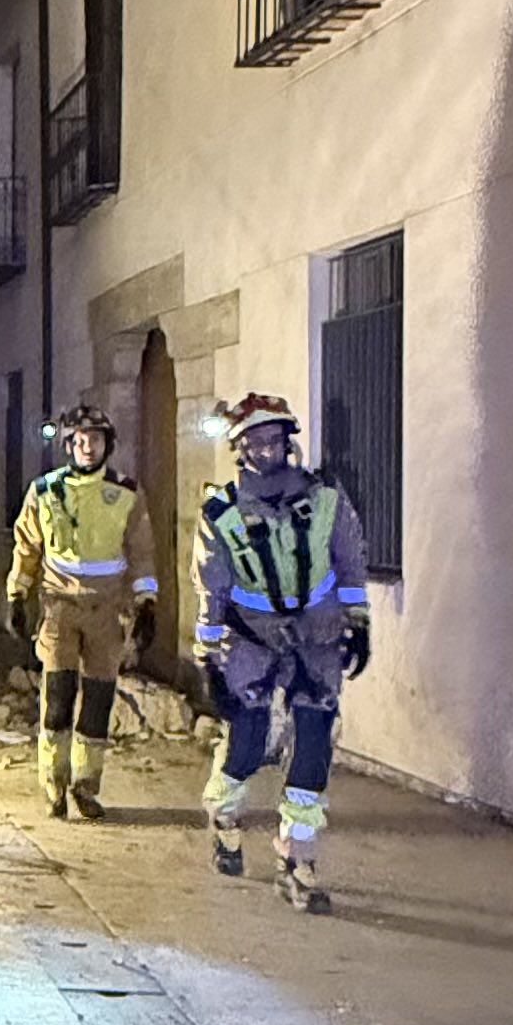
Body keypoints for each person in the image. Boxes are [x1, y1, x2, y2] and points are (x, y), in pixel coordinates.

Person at [193, 390, 370, 911]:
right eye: (255, 442)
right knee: (248, 744)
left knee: (314, 742)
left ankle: (298, 859)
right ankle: (224, 816)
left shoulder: (326, 498)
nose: (266, 450)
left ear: (288, 442)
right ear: (239, 449)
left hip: (316, 634)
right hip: (251, 636)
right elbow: (211, 586)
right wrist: (208, 657)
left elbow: (350, 561)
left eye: (275, 439)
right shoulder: (220, 512)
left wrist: (357, 622)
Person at [6, 401, 157, 821]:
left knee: (97, 703)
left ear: (108, 444)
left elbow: (142, 552)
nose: (87, 447)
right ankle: (54, 788)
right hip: (59, 609)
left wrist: (147, 604)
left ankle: (86, 788)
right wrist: (17, 595)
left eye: (96, 439)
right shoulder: (45, 491)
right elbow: (27, 547)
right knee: (57, 700)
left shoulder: (126, 494)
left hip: (106, 612)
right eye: (80, 440)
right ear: (68, 445)